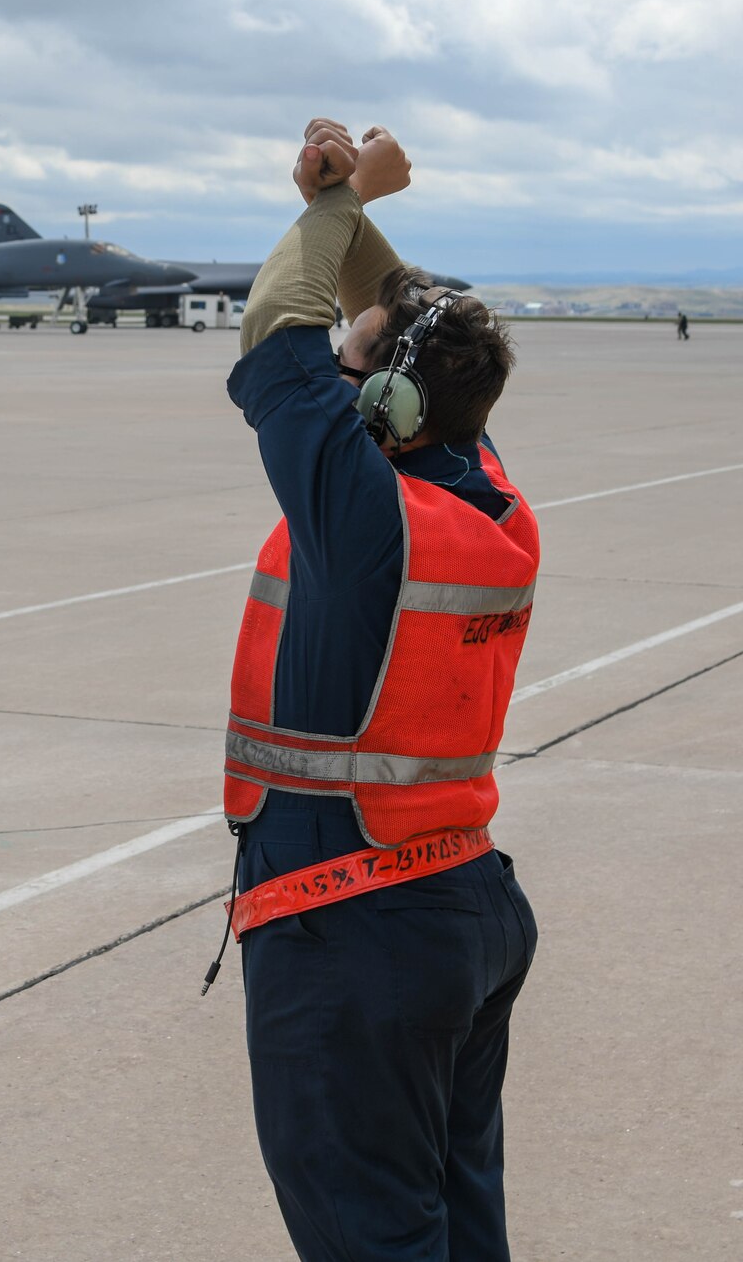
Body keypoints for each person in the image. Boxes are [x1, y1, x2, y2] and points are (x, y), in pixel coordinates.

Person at [214, 119, 540, 1261]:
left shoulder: (364, 520)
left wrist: (325, 213)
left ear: (388, 405)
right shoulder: (485, 495)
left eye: (349, 358)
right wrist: (349, 200)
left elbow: (269, 331)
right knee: (449, 1230)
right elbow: (408, 316)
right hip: (458, 912)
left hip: (349, 930)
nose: (333, 367)